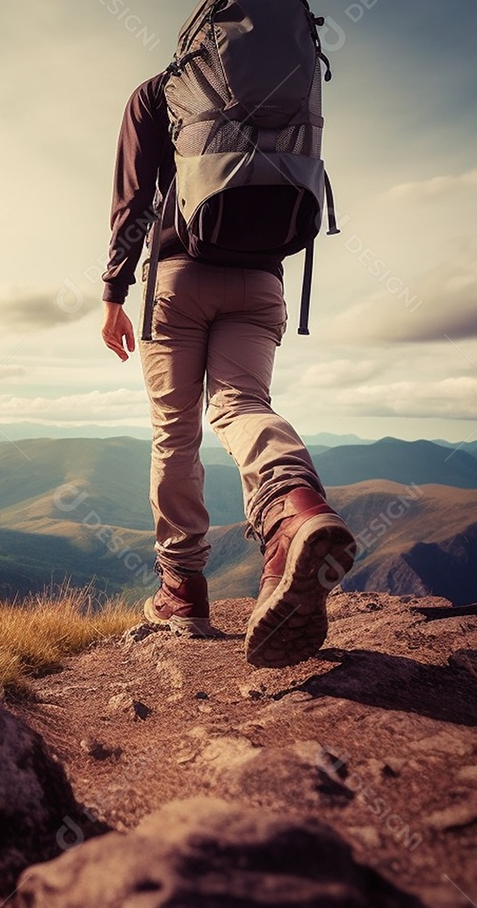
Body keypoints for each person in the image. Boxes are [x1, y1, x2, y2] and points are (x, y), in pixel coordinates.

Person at [100, 71, 357, 668]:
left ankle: (182, 591)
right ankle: (293, 513)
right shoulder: (286, 87)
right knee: (241, 406)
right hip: (262, 278)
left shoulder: (159, 93)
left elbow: (133, 197)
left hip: (179, 275)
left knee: (177, 432)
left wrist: (114, 290)